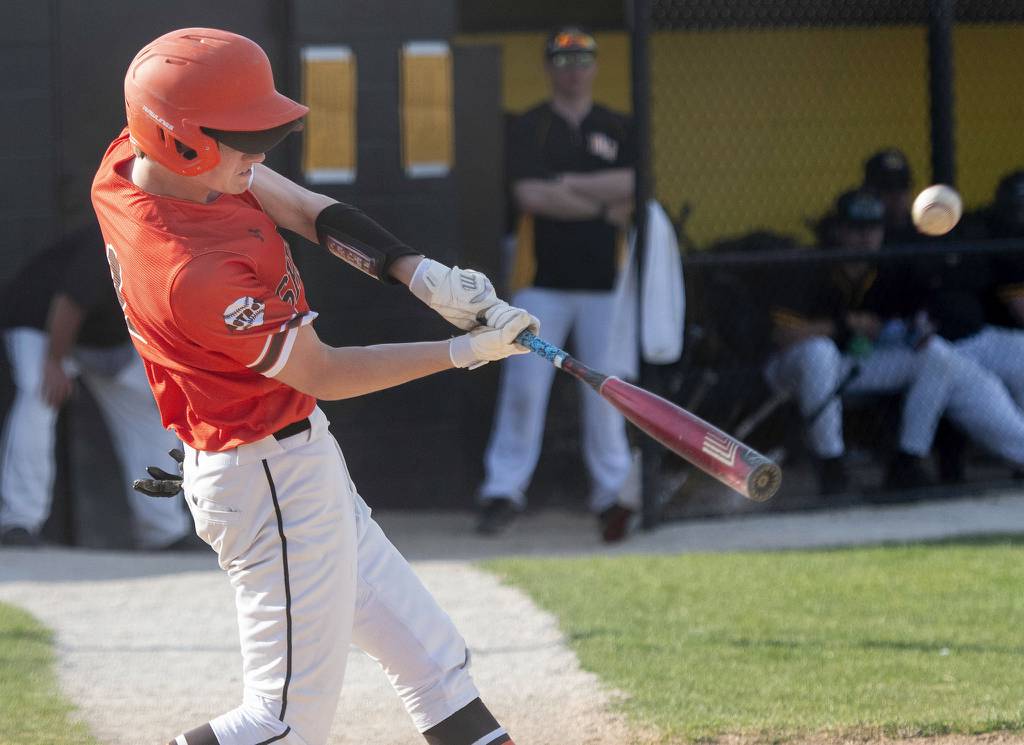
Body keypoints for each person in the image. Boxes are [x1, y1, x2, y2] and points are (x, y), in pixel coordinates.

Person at [92, 28, 533, 745]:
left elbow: (297, 206)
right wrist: (463, 350)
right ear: (182, 142)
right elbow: (322, 370)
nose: (259, 152)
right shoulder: (193, 270)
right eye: (242, 136)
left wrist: (417, 273)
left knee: (435, 662)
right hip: (270, 474)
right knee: (280, 725)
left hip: (282, 460)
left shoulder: (131, 160)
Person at [478, 26, 635, 541]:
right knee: (524, 388)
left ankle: (612, 495)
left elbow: (633, 187)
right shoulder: (531, 125)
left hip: (605, 283)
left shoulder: (617, 123)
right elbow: (530, 196)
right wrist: (597, 204)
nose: (573, 70)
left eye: (583, 60)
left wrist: (565, 186)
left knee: (606, 389)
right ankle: (503, 490)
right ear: (549, 67)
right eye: (563, 61)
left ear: (594, 66)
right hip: (539, 281)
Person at [765, 189, 1024, 496]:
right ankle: (830, 464)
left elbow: (911, 324)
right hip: (793, 369)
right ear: (838, 230)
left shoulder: (888, 268)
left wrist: (907, 331)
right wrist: (842, 325)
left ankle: (907, 461)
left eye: (873, 228)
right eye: (857, 228)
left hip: (857, 365)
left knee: (937, 355)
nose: (866, 237)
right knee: (818, 353)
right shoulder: (812, 265)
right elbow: (782, 336)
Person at [0, 222, 190, 548]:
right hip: (44, 326)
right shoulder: (119, 232)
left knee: (154, 406)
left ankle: (164, 531)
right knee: (39, 394)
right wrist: (55, 362)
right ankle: (18, 523)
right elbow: (69, 302)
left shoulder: (191, 248)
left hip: (108, 341)